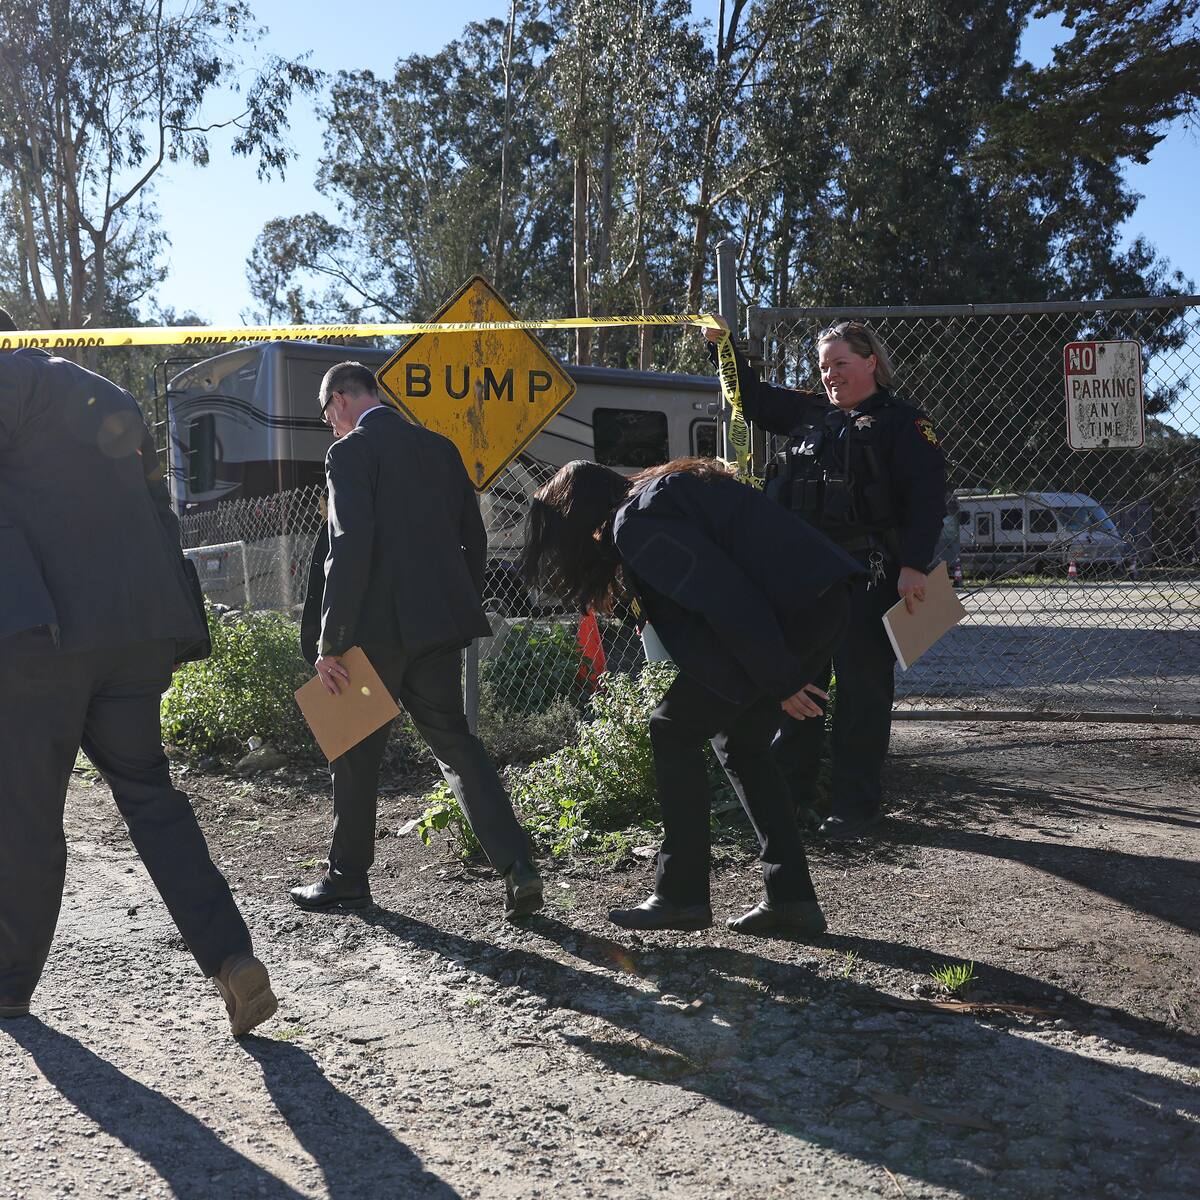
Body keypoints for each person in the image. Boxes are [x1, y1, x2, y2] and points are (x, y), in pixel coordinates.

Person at [0, 307, 276, 1036]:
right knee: (151, 797)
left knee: (25, 809)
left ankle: (8, 985)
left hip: (43, 637)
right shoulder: (105, 394)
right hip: (139, 627)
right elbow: (161, 510)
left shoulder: (6, 378)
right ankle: (231, 958)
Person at [520, 457, 862, 936]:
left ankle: (680, 895)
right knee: (740, 742)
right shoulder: (654, 501)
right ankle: (791, 901)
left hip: (791, 617)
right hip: (811, 606)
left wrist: (781, 678)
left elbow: (727, 598)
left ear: (580, 517)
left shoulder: (638, 521)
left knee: (672, 727)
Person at [291, 362, 543, 920]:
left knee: (354, 755)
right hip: (437, 629)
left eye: (326, 413)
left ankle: (347, 879)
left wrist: (331, 642)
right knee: (457, 746)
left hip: (372, 637)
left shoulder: (350, 452)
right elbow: (472, 539)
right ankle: (519, 867)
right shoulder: (440, 448)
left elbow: (348, 548)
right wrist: (454, 605)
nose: (330, 425)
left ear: (340, 400)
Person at [705, 319, 946, 839]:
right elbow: (749, 397)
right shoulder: (811, 414)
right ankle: (788, 801)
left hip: (868, 575)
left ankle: (855, 808)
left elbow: (928, 500)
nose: (830, 375)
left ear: (870, 363)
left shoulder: (904, 423)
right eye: (823, 366)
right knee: (800, 687)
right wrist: (723, 348)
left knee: (862, 692)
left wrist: (913, 566)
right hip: (805, 580)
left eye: (840, 364)